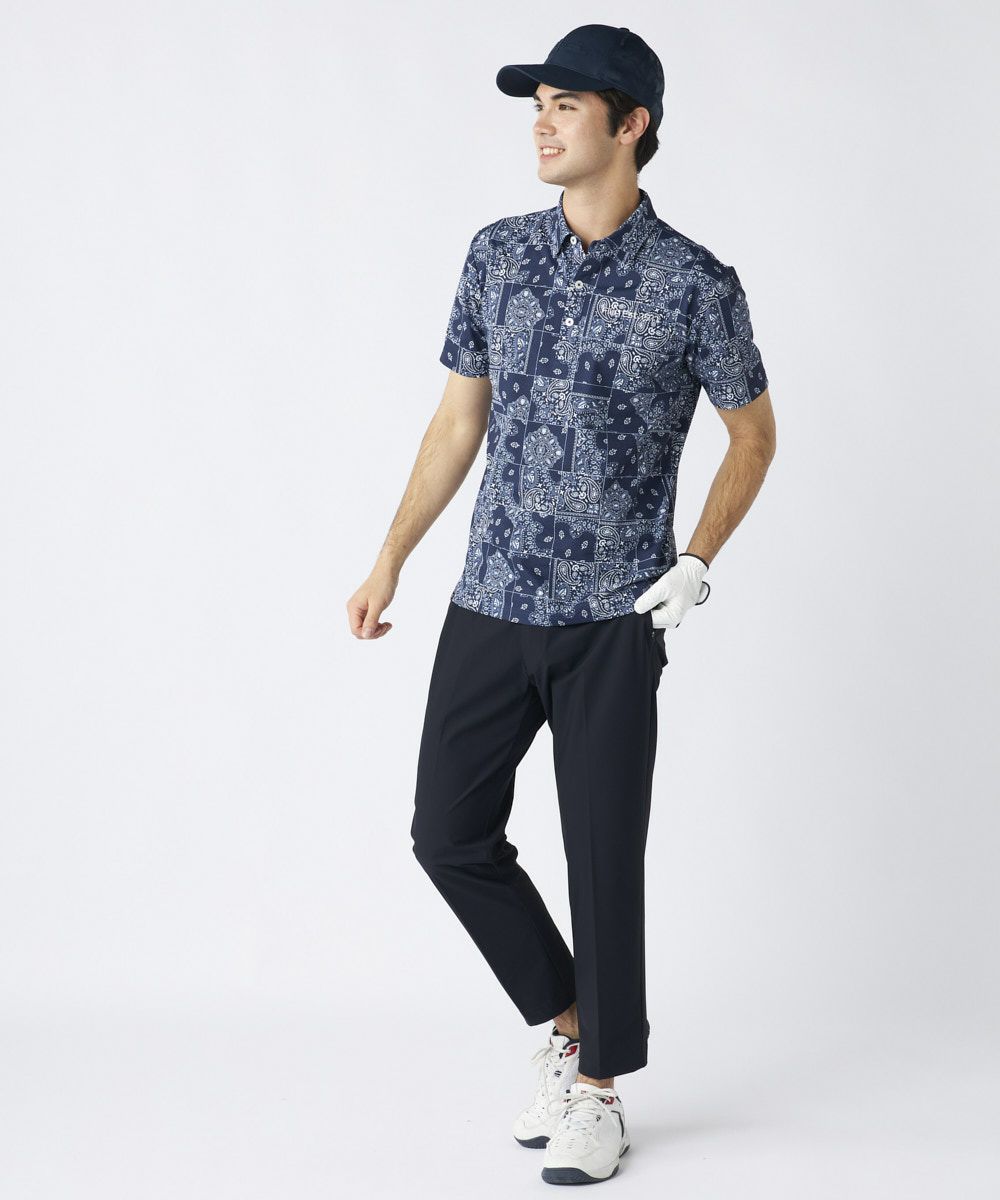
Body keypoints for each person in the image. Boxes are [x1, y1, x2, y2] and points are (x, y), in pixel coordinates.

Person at [347, 23, 776, 1186]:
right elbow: (457, 422)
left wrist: (697, 558)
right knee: (448, 834)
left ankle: (598, 1096)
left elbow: (752, 434)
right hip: (489, 601)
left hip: (611, 622)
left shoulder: (694, 283)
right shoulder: (496, 256)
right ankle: (572, 1023)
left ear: (631, 125)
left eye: (565, 105)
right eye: (535, 104)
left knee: (601, 861)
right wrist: (391, 557)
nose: (540, 124)